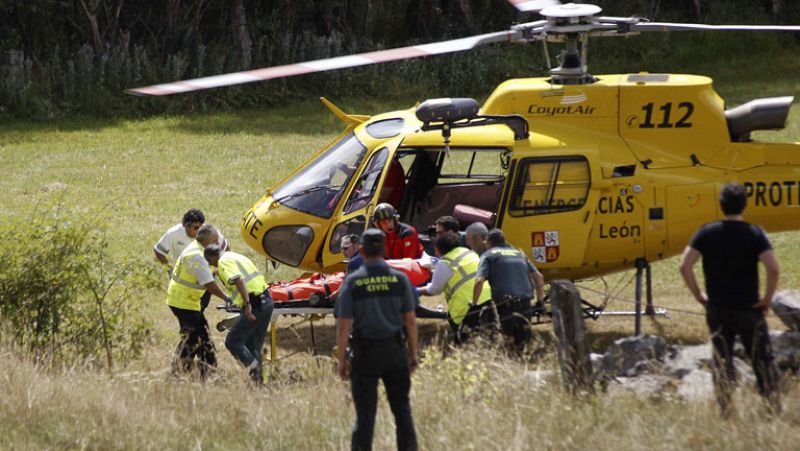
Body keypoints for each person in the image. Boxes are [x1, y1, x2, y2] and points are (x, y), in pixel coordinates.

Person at [679, 182, 781, 415]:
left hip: (718, 307)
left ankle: (725, 409)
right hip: (748, 307)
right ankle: (771, 408)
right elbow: (773, 268)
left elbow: (685, 265)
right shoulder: (754, 233)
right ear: (744, 204)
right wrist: (767, 298)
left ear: (721, 205)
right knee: (761, 358)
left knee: (721, 360)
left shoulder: (706, 232)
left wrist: (698, 295)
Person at [335, 228, 419, 451]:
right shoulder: (399, 279)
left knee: (365, 415)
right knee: (402, 411)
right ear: (385, 249)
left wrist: (341, 358)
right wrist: (413, 354)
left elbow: (344, 324)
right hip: (394, 351)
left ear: (360, 250)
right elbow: (410, 320)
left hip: (364, 355)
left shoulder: (353, 282)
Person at [166, 224, 232, 379]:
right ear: (208, 241)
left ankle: (208, 369)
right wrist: (226, 297)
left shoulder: (199, 249)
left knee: (203, 336)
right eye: (215, 241)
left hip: (187, 300)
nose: (218, 244)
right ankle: (179, 370)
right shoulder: (198, 257)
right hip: (183, 302)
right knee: (193, 338)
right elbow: (208, 283)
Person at [204, 245, 274, 385]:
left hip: (254, 305)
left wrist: (247, 305)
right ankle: (259, 384)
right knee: (252, 345)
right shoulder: (236, 256)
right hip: (267, 301)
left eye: (209, 261)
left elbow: (239, 279)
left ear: (212, 257)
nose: (210, 264)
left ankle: (255, 370)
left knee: (232, 341)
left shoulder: (223, 262)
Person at [472, 228, 545, 348]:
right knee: (523, 343)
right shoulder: (519, 253)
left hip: (505, 304)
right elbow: (538, 276)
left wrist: (474, 305)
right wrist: (540, 301)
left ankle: (510, 364)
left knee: (508, 342)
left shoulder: (488, 255)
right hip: (525, 303)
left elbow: (479, 281)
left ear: (489, 243)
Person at [419, 234, 492, 343]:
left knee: (465, 341)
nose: (435, 253)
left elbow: (434, 289)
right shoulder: (468, 252)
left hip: (468, 306)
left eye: (435, 250)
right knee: (490, 336)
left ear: (441, 250)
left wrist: (417, 290)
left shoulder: (444, 263)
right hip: (490, 297)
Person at [155, 209, 229, 311]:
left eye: (198, 227)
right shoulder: (173, 233)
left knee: (201, 307)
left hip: (206, 273)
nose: (196, 230)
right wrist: (169, 269)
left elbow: (226, 249)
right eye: (193, 227)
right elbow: (158, 250)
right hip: (186, 277)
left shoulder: (210, 233)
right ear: (184, 225)